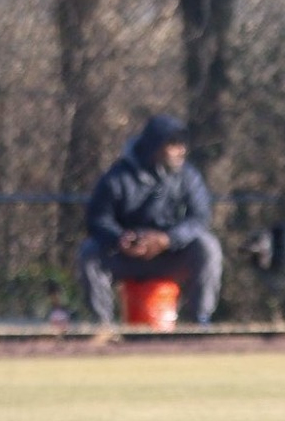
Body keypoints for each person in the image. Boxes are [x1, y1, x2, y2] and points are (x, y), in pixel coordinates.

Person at [77, 113, 224, 327]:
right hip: (126, 258)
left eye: (182, 144)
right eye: (173, 144)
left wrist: (168, 239)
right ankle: (103, 326)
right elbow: (97, 219)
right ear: (154, 146)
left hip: (171, 256)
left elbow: (200, 218)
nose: (181, 150)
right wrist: (120, 238)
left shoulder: (188, 176)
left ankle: (199, 322)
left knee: (207, 246)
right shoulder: (117, 177)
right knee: (89, 252)